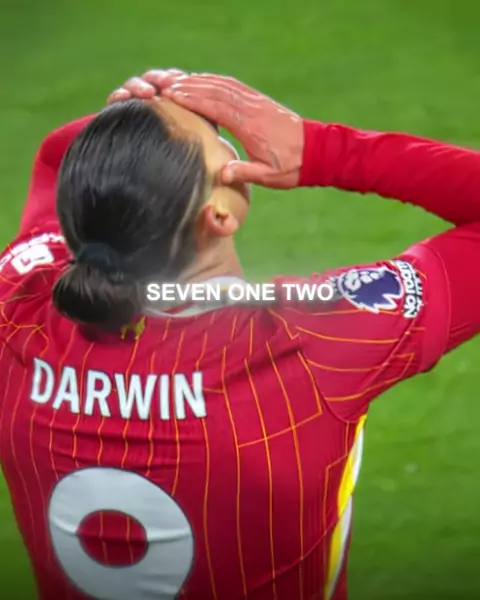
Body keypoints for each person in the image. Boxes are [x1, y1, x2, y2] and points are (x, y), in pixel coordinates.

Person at [1, 68, 480, 600]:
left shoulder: (17, 307)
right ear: (220, 214)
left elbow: (55, 160)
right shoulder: (313, 336)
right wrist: (321, 149)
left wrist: (121, 129)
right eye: (216, 135)